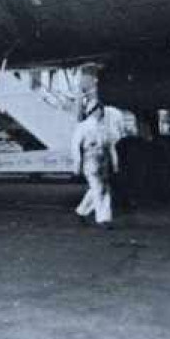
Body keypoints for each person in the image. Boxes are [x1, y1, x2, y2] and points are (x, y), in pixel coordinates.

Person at [70, 65, 118, 228]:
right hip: (90, 161)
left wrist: (115, 164)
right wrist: (76, 166)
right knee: (100, 189)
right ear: (93, 111)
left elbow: (111, 146)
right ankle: (103, 219)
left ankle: (81, 211)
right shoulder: (83, 127)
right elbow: (76, 147)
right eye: (100, 109)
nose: (102, 112)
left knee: (99, 188)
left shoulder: (104, 127)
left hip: (102, 160)